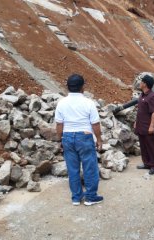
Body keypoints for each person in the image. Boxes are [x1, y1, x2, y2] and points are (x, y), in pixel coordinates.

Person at [55, 74, 103, 206]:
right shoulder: (88, 103)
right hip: (84, 136)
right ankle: (90, 197)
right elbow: (95, 124)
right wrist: (99, 139)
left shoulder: (61, 103)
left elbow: (59, 125)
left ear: (67, 87)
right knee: (89, 167)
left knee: (73, 169)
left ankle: (76, 197)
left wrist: (59, 141)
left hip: (68, 137)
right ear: (82, 87)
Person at [134, 75, 154, 175]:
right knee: (143, 146)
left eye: (141, 82)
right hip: (141, 126)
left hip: (148, 127)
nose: (140, 83)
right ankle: (146, 163)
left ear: (145, 84)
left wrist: (152, 126)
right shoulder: (142, 95)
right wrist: (136, 122)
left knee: (151, 147)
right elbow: (140, 111)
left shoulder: (152, 96)